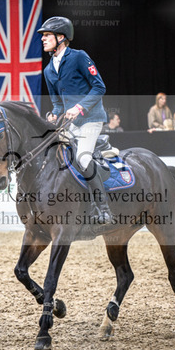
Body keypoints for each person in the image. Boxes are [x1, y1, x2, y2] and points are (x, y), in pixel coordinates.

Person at [37, 16, 112, 224]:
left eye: (47, 35)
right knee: (51, 156)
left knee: (83, 159)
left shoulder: (79, 57)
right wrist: (53, 114)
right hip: (70, 124)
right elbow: (58, 104)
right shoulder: (48, 70)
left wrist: (79, 107)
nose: (43, 39)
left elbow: (99, 87)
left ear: (61, 37)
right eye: (43, 36)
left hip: (91, 119)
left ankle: (103, 208)